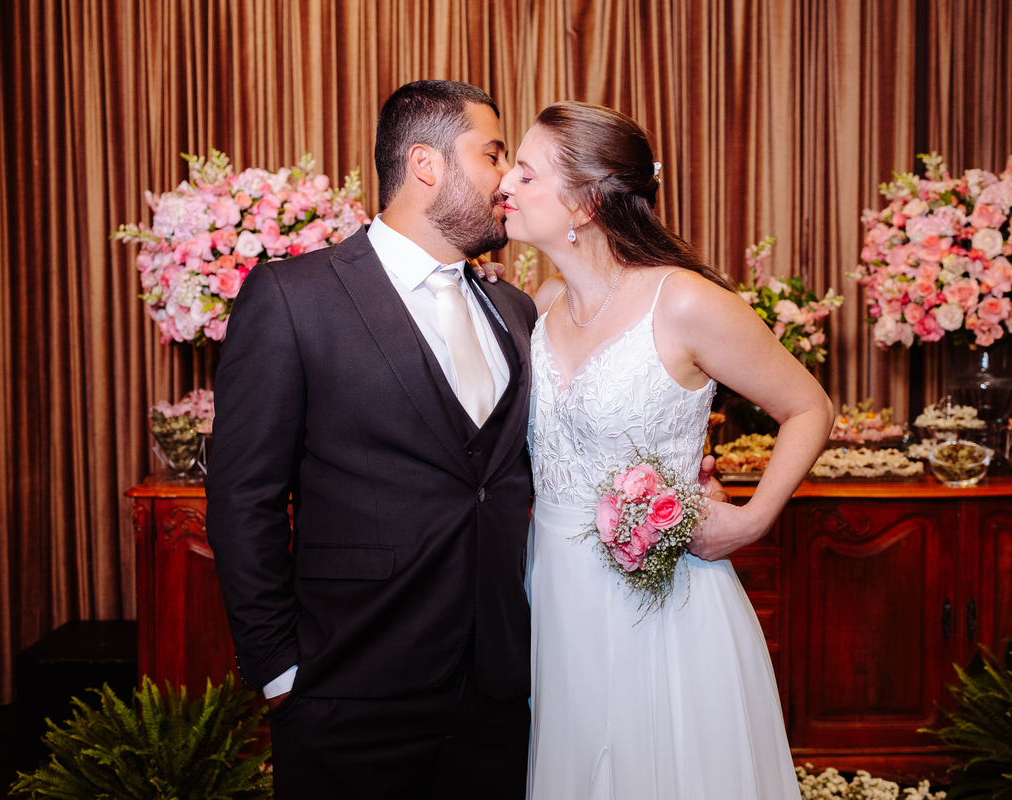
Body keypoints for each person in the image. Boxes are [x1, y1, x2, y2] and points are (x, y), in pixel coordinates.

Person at [206, 80, 537, 799]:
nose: (508, 178)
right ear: (426, 165)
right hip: (350, 691)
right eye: (492, 155)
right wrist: (280, 672)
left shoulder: (516, 310)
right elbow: (243, 498)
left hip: (502, 697)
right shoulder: (294, 298)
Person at [498, 101, 833, 799]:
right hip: (552, 592)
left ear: (586, 202)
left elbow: (808, 407)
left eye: (526, 173)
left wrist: (752, 518)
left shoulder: (683, 302)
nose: (505, 184)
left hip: (658, 600)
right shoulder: (544, 298)